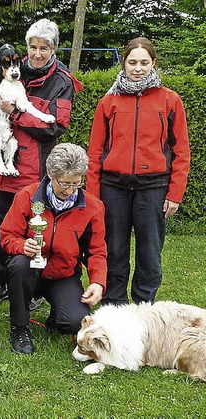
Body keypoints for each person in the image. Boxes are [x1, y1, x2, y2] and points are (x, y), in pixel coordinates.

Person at [0, 19, 83, 307]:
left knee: (34, 229)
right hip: (1, 169)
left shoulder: (61, 81)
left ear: (54, 49)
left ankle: (34, 289)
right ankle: (1, 285)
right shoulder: (12, 68)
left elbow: (55, 126)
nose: (37, 53)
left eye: (44, 48)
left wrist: (15, 113)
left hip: (34, 170)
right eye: (33, 47)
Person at [87, 37, 190, 306]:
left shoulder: (170, 100)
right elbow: (95, 153)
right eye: (132, 62)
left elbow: (181, 151)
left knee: (150, 254)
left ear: (153, 64)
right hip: (114, 188)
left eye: (144, 62)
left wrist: (175, 193)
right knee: (114, 251)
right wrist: (94, 197)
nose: (138, 68)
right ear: (124, 63)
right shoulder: (108, 102)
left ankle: (144, 309)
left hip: (153, 188)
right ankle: (114, 307)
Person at [0, 143, 106, 354]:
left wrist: (97, 281)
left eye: (76, 183)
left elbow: (97, 250)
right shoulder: (26, 196)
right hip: (29, 268)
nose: (70, 190)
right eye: (64, 183)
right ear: (50, 175)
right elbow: (6, 236)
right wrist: (23, 245)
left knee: (75, 322)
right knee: (19, 265)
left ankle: (58, 316)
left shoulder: (93, 207)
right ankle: (19, 328)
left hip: (63, 275)